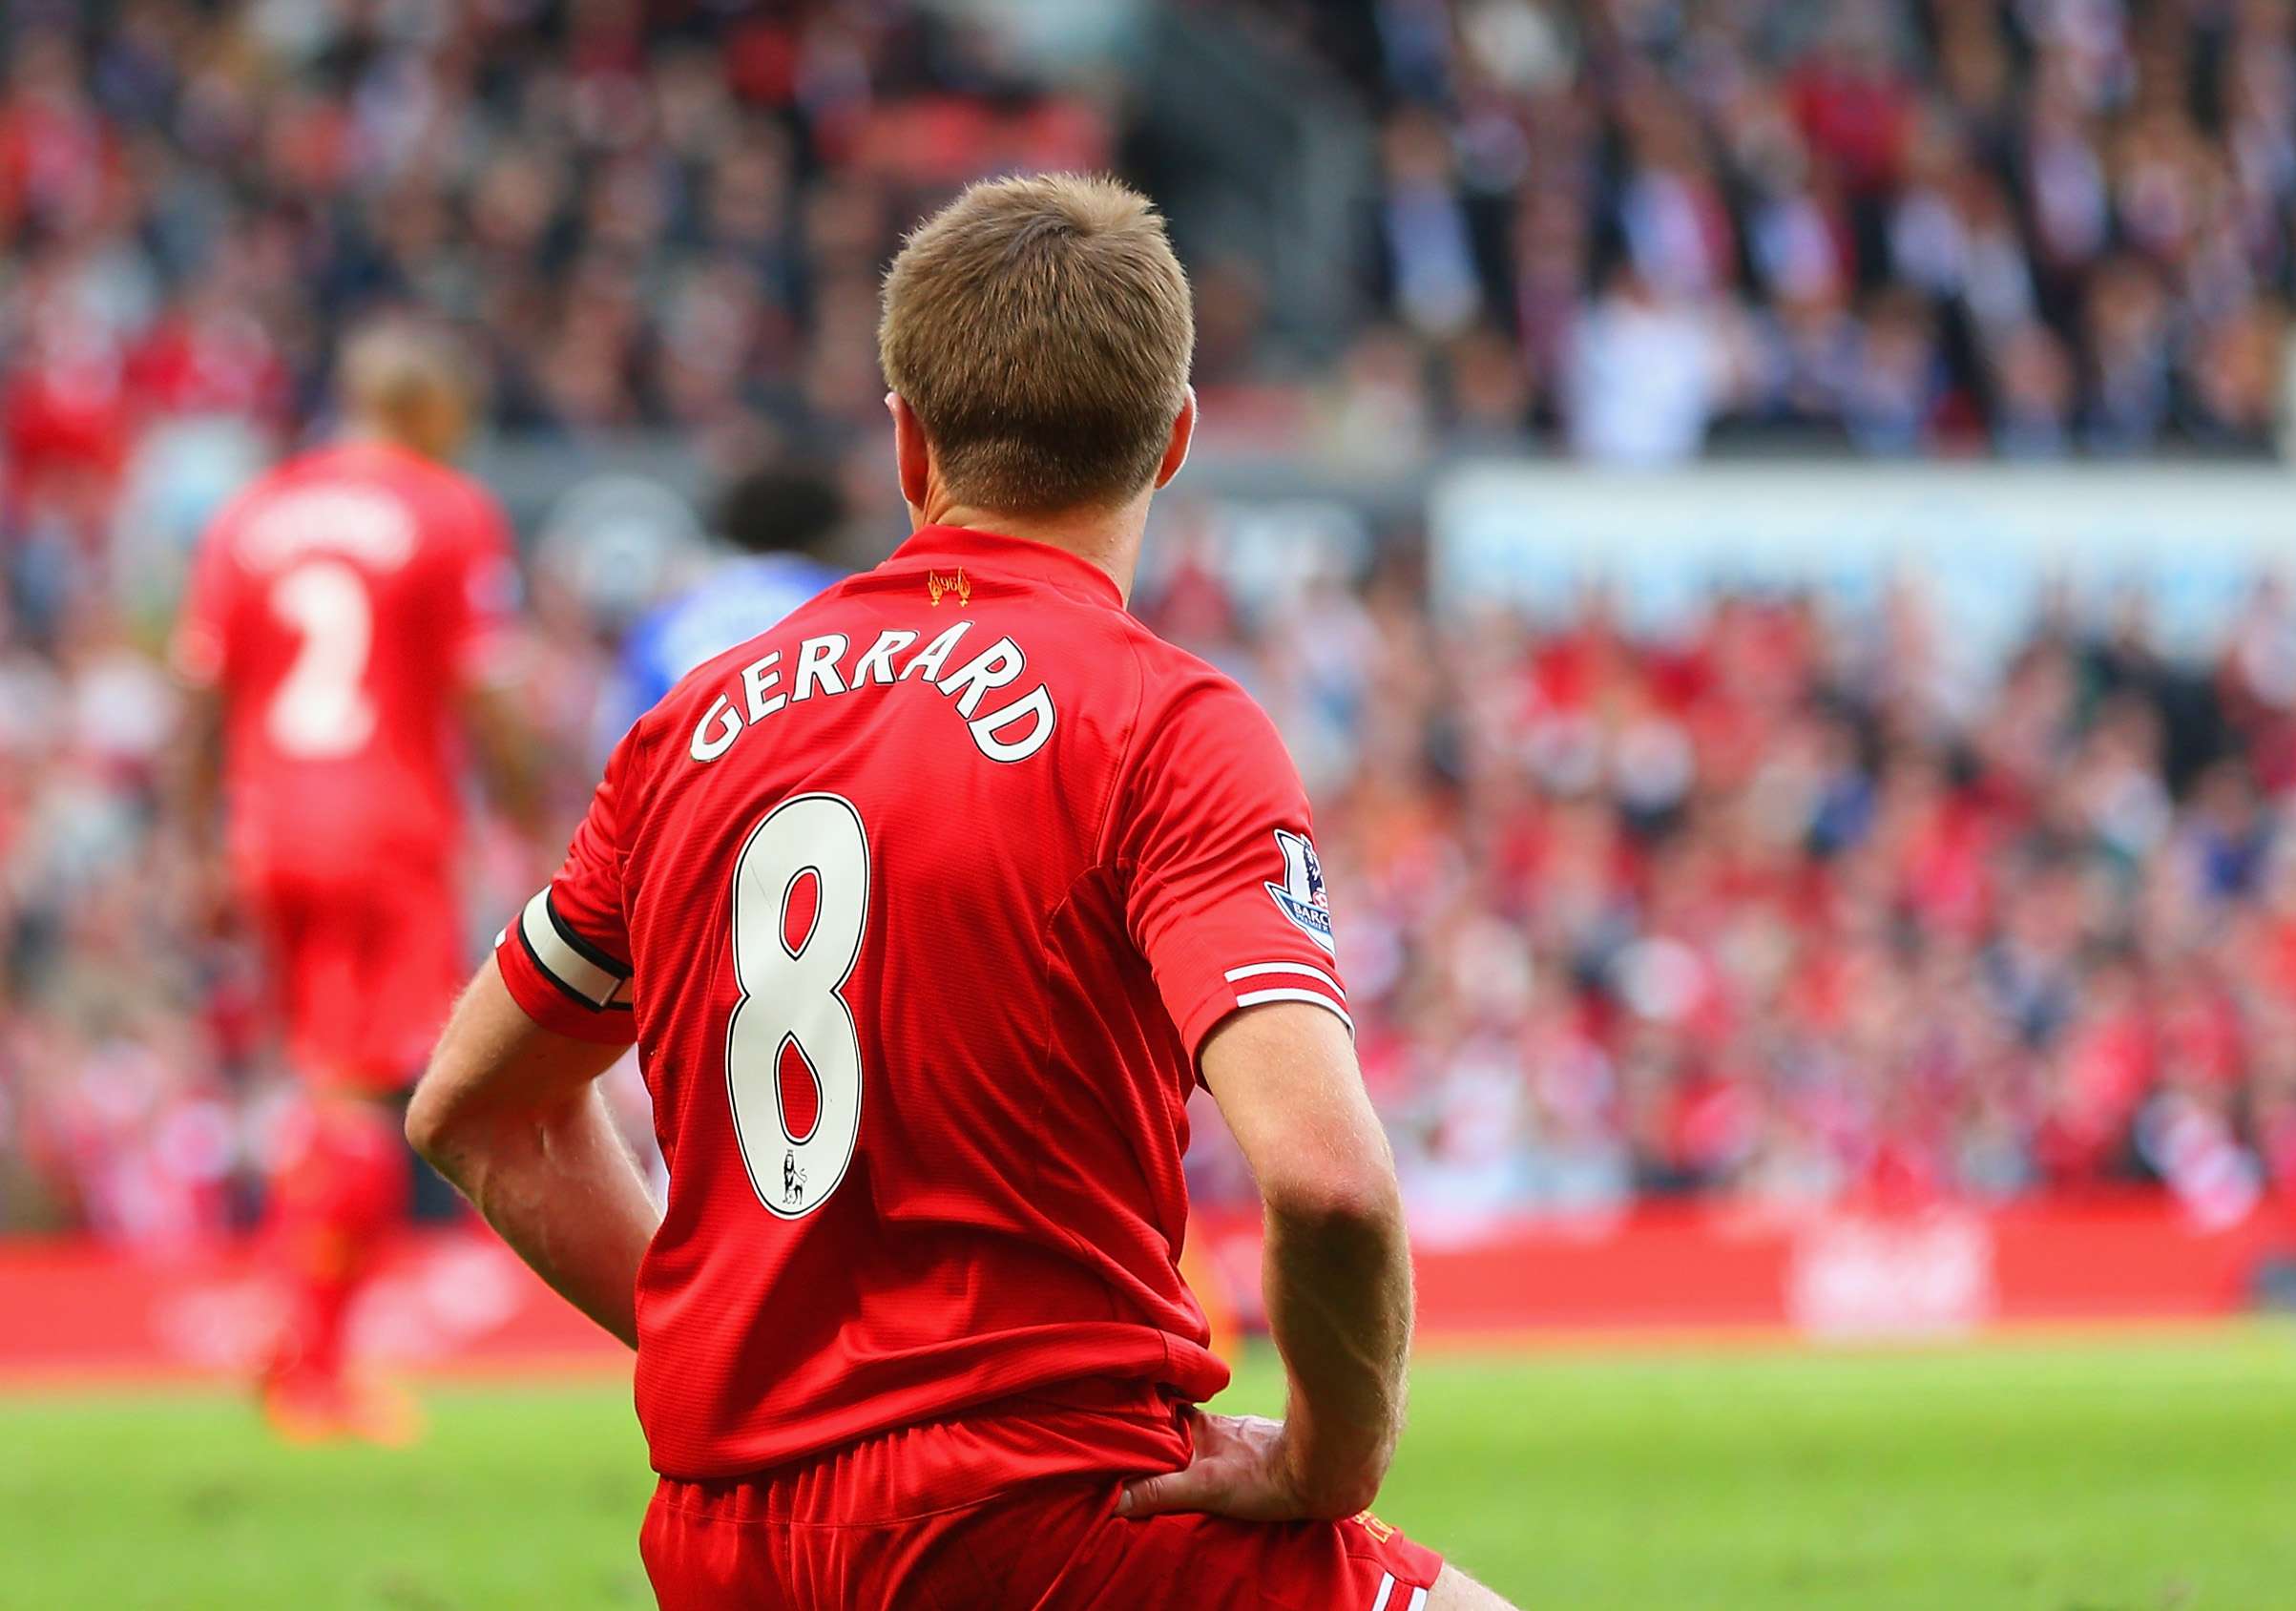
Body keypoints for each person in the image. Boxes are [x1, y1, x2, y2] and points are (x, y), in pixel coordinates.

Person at [406, 174, 1513, 1609]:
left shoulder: (693, 729)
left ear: (907, 439)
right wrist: (1328, 1467)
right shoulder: (1163, 725)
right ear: (1174, 443)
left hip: (732, 1547)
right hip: (1055, 1522)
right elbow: (1329, 1185)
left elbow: (472, 1110)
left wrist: (744, 1375)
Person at [171, 316, 542, 1441]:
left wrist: (197, 844)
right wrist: (544, 816)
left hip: (270, 824)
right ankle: (313, 1368)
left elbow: (199, 695)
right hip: (384, 824)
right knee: (363, 1090)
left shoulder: (255, 511)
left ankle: (299, 1345)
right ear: (431, 412)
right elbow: (483, 689)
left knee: (324, 1077)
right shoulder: (443, 509)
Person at [609, 465, 848, 738]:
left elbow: (621, 736)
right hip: (810, 767)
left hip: (691, 767)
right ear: (824, 533)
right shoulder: (843, 598)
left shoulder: (670, 616)